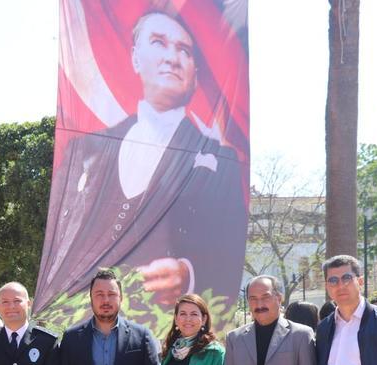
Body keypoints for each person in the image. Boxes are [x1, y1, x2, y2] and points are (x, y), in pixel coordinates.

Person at [34, 9, 247, 313]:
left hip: (168, 322)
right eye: (159, 42)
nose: (172, 58)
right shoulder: (84, 149)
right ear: (135, 58)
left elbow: (230, 251)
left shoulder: (222, 162)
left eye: (184, 50)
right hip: (85, 317)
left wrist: (188, 273)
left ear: (195, 72)